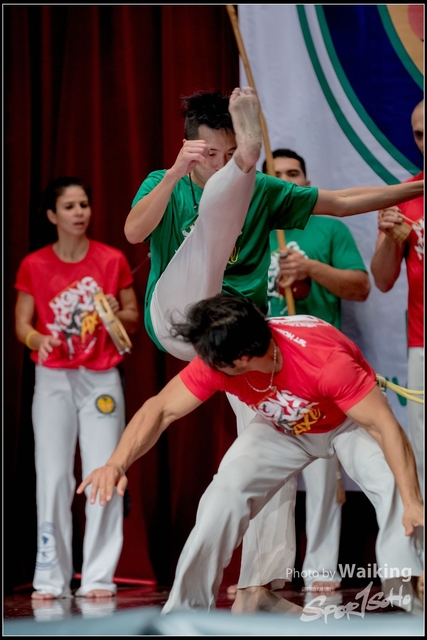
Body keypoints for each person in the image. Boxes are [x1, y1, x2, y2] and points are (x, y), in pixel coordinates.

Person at [124, 86, 423, 597]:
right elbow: (133, 232)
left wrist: (416, 188)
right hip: (179, 315)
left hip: (237, 341)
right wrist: (176, 173)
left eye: (228, 155)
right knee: (213, 225)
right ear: (189, 146)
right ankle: (248, 155)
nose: (214, 167)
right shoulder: (166, 181)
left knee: (264, 453)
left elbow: (343, 202)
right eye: (210, 157)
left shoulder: (263, 190)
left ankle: (258, 583)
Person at [78, 293, 424, 614]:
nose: (205, 365)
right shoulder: (221, 356)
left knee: (392, 485)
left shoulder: (324, 361)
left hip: (344, 422)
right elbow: (162, 409)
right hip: (281, 428)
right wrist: (115, 463)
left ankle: (410, 592)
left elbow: (385, 428)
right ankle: (184, 614)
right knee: (222, 497)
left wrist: (411, 501)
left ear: (242, 359)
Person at [14, 176, 140, 600]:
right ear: (52, 215)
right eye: (69, 206)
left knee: (103, 471)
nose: (79, 212)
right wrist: (38, 340)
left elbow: (133, 317)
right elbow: (22, 324)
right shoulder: (34, 264)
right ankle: (50, 577)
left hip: (101, 376)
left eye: (84, 204)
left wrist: (111, 315)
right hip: (52, 379)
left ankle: (99, 576)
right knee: (52, 477)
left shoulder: (112, 259)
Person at [267, 148, 370, 592]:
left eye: (295, 174)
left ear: (306, 182)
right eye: (278, 175)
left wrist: (310, 268)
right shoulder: (251, 230)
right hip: (264, 364)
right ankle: (266, 571)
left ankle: (322, 570)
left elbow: (361, 286)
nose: (288, 181)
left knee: (323, 471)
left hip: (319, 361)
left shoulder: (329, 227)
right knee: (268, 474)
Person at [371, 100, 424, 500]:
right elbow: (384, 279)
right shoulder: (404, 194)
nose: (424, 142)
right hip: (422, 343)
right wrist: (391, 237)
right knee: (423, 454)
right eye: (419, 134)